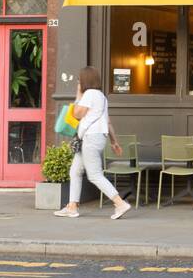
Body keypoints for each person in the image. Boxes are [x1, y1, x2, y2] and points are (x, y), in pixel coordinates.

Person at [53, 66, 133, 220]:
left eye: (79, 80)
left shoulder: (89, 94)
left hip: (90, 138)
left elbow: (76, 114)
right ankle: (72, 206)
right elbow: (108, 122)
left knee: (95, 174)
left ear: (84, 80)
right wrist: (114, 142)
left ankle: (120, 203)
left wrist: (78, 94)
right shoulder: (102, 97)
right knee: (75, 171)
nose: (78, 82)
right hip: (96, 137)